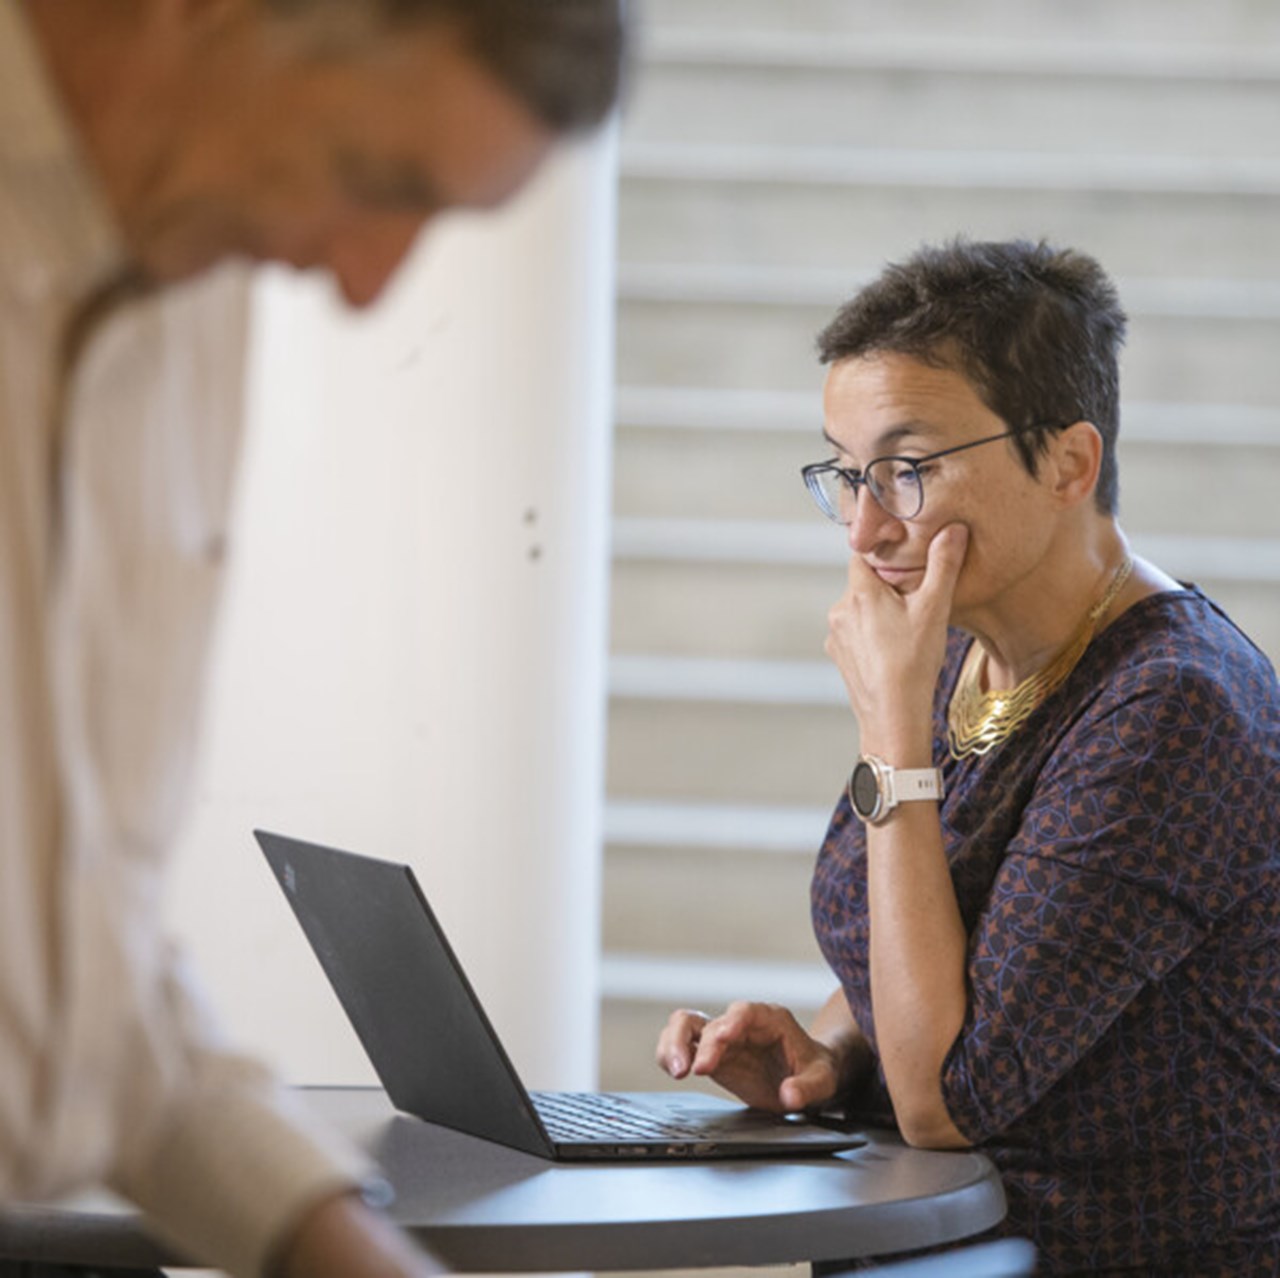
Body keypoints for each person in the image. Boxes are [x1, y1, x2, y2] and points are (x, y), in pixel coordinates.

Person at [0, 2, 625, 1275]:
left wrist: (330, 1239)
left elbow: (80, 992)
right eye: (374, 180)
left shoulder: (195, 299)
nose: (363, 283)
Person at [656, 239, 1280, 1274]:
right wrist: (834, 1053)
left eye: (905, 470)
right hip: (936, 1246)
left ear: (1069, 462)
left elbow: (948, 1097)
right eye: (847, 474)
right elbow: (927, 966)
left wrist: (891, 742)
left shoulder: (1171, 705)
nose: (863, 527)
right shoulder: (953, 651)